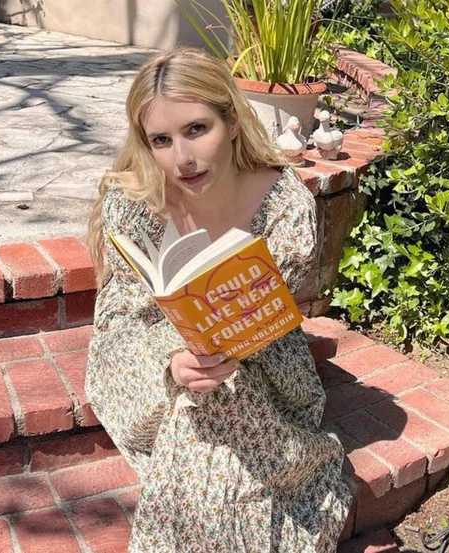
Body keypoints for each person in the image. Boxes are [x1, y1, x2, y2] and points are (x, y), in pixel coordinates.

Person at [85, 47, 351, 552]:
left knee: (220, 397)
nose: (181, 158)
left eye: (195, 130)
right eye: (160, 140)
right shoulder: (134, 197)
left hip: (260, 356)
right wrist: (171, 358)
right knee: (200, 395)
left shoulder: (281, 199)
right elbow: (120, 313)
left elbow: (270, 314)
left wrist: (218, 346)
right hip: (143, 352)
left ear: (231, 120)